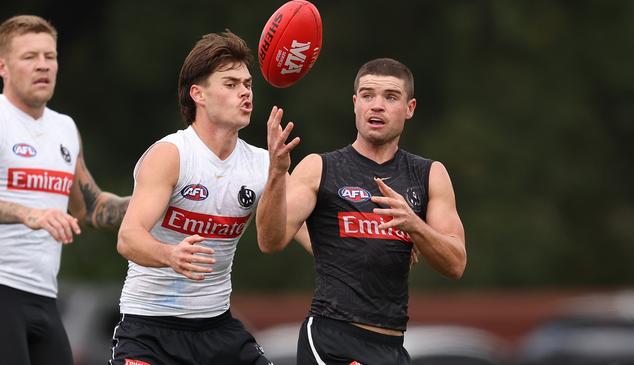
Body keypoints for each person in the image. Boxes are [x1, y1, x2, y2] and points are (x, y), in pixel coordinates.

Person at [257, 57, 467, 364]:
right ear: (356, 104)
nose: (377, 105)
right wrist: (277, 174)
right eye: (368, 95)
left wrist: (415, 226)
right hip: (332, 340)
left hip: (392, 346)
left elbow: (456, 263)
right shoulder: (320, 168)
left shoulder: (429, 174)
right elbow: (270, 241)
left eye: (390, 97)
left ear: (409, 108)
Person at [110, 30, 273, 365]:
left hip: (217, 327)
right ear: (198, 94)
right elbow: (128, 238)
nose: (244, 92)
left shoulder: (263, 163)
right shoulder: (173, 154)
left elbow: (285, 235)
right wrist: (169, 254)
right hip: (150, 328)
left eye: (248, 84)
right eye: (230, 84)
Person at [0, 15, 130, 365]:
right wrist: (29, 213)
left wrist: (157, 199)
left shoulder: (65, 128)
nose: (43, 66)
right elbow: (32, 212)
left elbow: (90, 207)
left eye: (50, 56)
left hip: (45, 297)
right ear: (3, 66)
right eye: (29, 57)